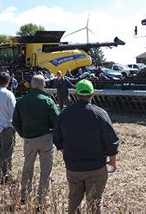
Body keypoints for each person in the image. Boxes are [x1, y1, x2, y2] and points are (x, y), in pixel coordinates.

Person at [54, 79, 119, 213]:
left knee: (74, 200)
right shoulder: (100, 114)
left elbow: (57, 139)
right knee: (94, 202)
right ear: (93, 94)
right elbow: (111, 141)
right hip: (96, 167)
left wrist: (66, 154)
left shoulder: (64, 114)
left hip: (73, 167)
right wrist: (113, 163)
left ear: (76, 94)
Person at [12, 75, 60, 207]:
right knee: (46, 171)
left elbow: (15, 121)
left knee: (27, 167)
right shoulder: (47, 101)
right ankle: (43, 199)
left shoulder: (21, 101)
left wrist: (23, 134)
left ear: (32, 85)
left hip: (29, 139)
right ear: (43, 85)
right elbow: (56, 121)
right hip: (46, 138)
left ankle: (24, 195)